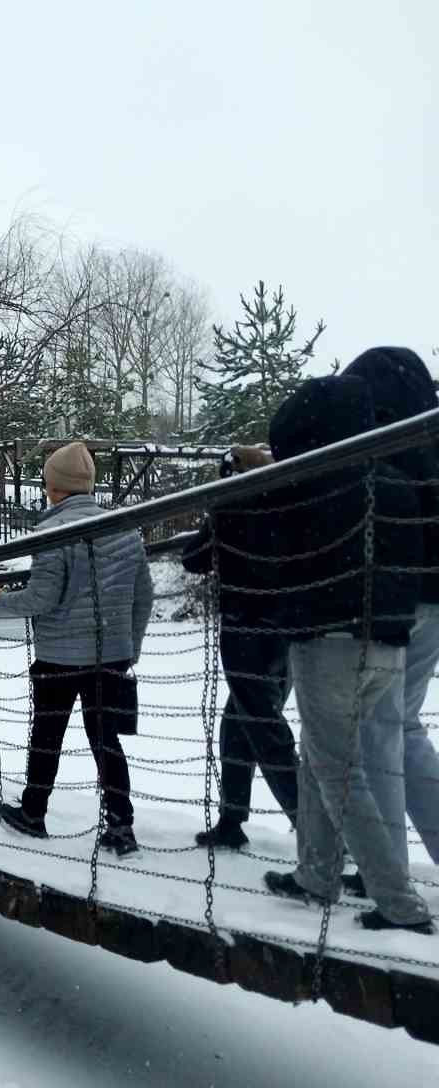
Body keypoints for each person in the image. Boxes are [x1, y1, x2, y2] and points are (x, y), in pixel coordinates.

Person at [252, 375, 431, 933]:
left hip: (326, 642)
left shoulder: (310, 481)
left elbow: (273, 559)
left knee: (337, 771)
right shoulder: (394, 481)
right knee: (319, 757)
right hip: (388, 645)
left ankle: (399, 905)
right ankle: (317, 873)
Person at [0, 442, 151, 856]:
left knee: (47, 734)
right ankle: (121, 824)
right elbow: (143, 595)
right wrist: (130, 646)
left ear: (53, 486)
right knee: (105, 739)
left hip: (59, 656)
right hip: (111, 654)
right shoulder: (126, 529)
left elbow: (42, 599)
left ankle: (33, 812)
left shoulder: (53, 532)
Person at [345, 348, 439, 885]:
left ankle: (384, 873)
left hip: (395, 602)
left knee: (377, 729)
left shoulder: (381, 448)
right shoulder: (431, 436)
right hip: (434, 598)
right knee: (402, 726)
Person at [181, 445, 298, 848]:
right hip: (284, 631)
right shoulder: (289, 505)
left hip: (245, 628)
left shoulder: (231, 506)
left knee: (265, 729)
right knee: (240, 722)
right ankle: (232, 820)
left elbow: (193, 558)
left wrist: (214, 520)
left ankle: (313, 826)